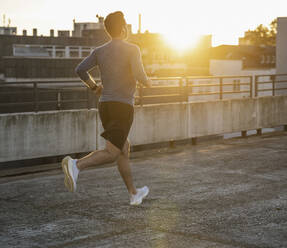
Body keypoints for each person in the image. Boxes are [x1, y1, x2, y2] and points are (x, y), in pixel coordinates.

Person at [61, 11, 152, 206]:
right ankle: (76, 165)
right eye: (125, 23)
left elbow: (80, 70)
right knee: (112, 152)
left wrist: (94, 87)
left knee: (122, 149)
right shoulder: (132, 49)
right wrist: (149, 82)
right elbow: (139, 74)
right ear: (123, 28)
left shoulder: (100, 50)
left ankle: (133, 193)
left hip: (105, 105)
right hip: (122, 107)